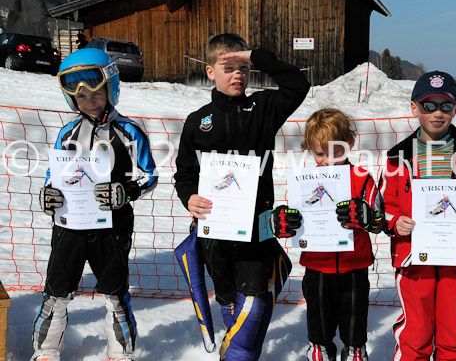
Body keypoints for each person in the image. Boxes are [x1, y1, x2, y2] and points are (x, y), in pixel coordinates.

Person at [173, 33, 310, 360]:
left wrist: (255, 55)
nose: (238, 74)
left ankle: (234, 355)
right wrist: (189, 196)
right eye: (228, 67)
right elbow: (184, 173)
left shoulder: (264, 107)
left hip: (257, 229)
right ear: (210, 72)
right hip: (213, 232)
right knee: (230, 303)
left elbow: (297, 85)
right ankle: (238, 353)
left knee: (255, 300)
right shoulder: (197, 122)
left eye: (243, 68)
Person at [32, 48, 158, 361]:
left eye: (95, 93)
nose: (88, 101)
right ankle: (46, 350)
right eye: (79, 96)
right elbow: (54, 176)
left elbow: (149, 175)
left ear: (111, 89)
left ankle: (119, 351)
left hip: (111, 227)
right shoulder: (67, 133)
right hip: (70, 226)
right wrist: (49, 195)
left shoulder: (128, 131)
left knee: (114, 292)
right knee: (57, 291)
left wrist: (125, 192)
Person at [379, 71, 456, 361]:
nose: (437, 113)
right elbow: (384, 205)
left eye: (446, 106)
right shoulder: (398, 158)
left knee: (453, 328)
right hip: (413, 257)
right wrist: (396, 222)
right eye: (428, 105)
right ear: (414, 107)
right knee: (417, 328)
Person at [270, 108, 385, 361]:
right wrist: (283, 221)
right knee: (319, 315)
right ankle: (319, 347)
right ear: (311, 149)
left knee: (354, 315)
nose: (328, 159)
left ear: (349, 143)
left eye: (337, 151)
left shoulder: (362, 178)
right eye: (320, 153)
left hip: (354, 264)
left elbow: (379, 220)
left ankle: (355, 348)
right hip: (317, 263)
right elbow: (293, 217)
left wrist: (367, 216)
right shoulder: (305, 180)